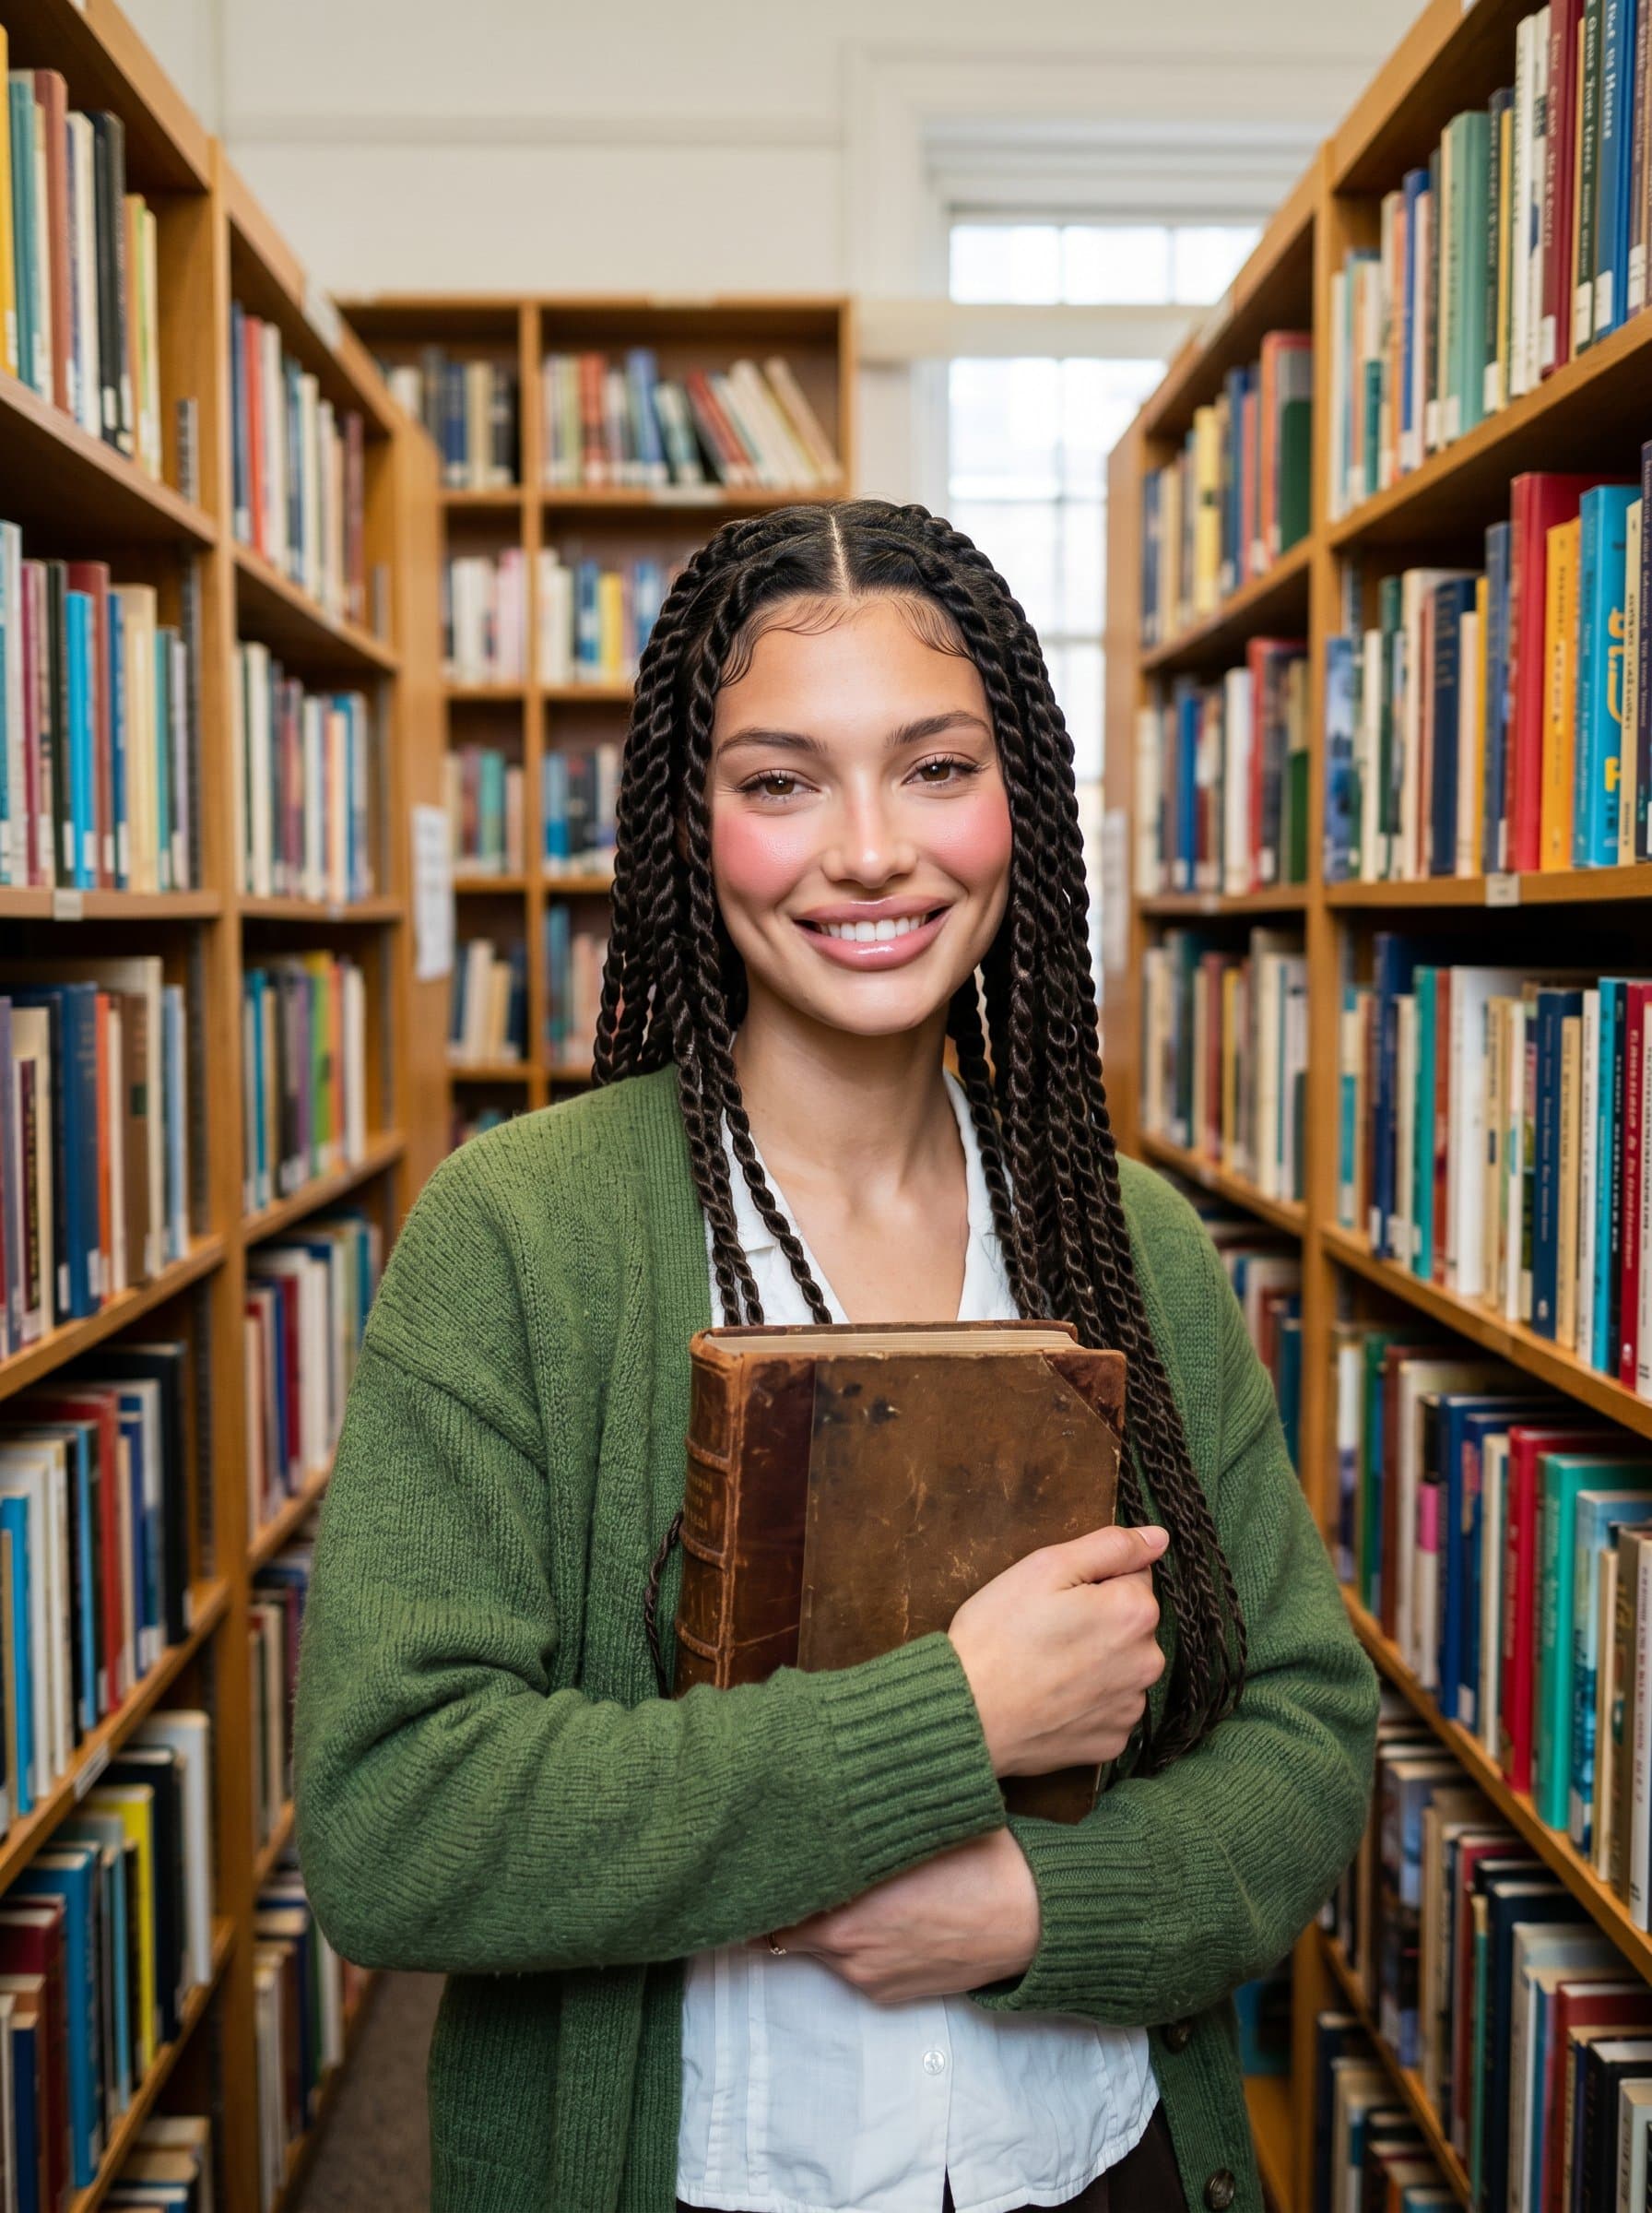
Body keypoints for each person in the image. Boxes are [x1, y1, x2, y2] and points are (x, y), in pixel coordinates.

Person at [292, 498, 1379, 2213]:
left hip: (1100, 2159)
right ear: (692, 824)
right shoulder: (520, 1234)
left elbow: (1306, 1732)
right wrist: (953, 1719)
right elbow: (395, 1821)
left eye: (936, 768)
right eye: (783, 782)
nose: (870, 852)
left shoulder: (1130, 1242)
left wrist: (1039, 1910)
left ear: (1022, 801)